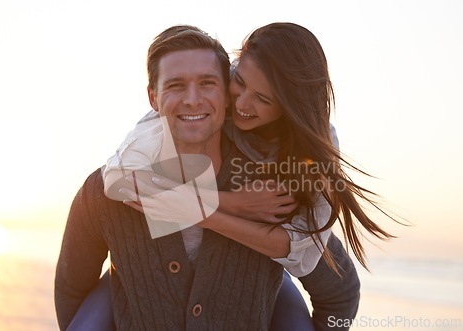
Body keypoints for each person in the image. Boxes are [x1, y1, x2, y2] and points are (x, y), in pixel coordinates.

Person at [54, 24, 367, 330]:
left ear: (223, 94)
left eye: (207, 83)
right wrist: (227, 204)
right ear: (153, 98)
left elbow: (339, 294)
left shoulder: (275, 195)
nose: (192, 99)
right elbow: (72, 294)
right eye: (176, 85)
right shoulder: (104, 195)